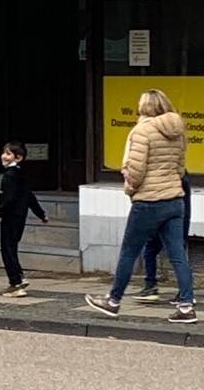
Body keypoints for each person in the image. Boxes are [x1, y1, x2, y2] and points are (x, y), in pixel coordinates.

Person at [86, 89, 196, 324]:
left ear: (144, 107)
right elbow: (180, 167)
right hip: (174, 199)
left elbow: (136, 170)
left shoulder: (142, 131)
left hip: (148, 201)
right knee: (178, 254)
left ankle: (113, 301)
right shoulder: (178, 131)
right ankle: (186, 306)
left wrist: (130, 187)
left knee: (129, 251)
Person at [0, 141, 49, 297]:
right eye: (4, 152)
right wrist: (41, 214)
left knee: (7, 250)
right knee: (11, 248)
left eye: (8, 154)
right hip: (19, 217)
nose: (3, 156)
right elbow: (29, 196)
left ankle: (15, 282)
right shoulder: (20, 174)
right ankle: (18, 277)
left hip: (10, 217)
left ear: (18, 157)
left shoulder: (9, 176)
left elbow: (9, 199)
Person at [134, 173, 192, 304]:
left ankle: (153, 287)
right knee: (173, 255)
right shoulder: (179, 175)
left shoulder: (170, 177)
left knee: (172, 255)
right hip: (174, 217)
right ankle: (184, 294)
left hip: (165, 217)